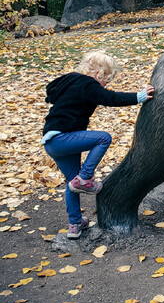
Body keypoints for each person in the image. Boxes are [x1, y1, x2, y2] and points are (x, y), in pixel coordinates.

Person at [42, 51, 154, 239]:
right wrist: (139, 96)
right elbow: (110, 99)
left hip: (51, 141)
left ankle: (75, 224)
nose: (105, 86)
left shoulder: (69, 81)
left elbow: (51, 93)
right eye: (106, 81)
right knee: (103, 138)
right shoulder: (88, 84)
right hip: (64, 138)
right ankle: (85, 178)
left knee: (72, 184)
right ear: (99, 75)